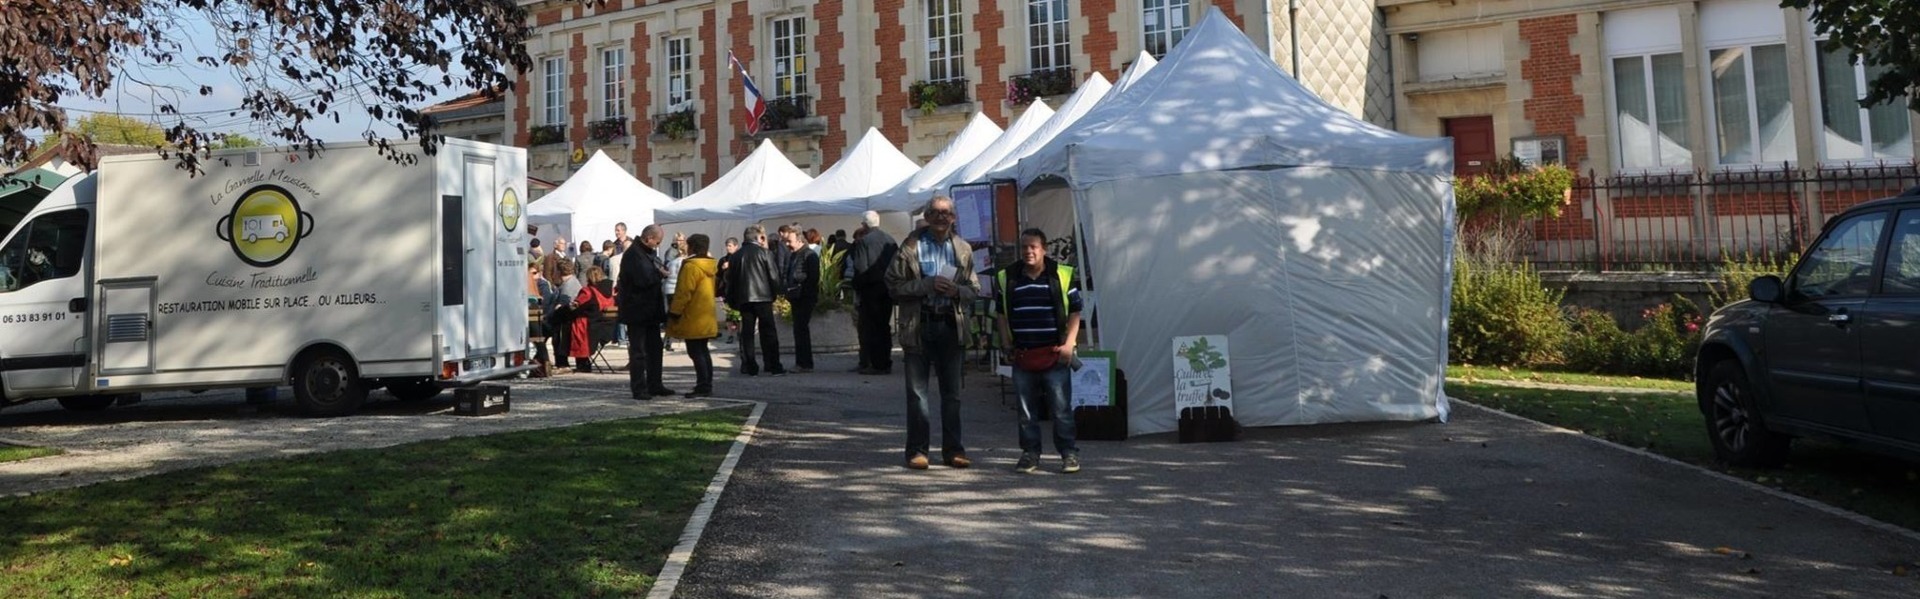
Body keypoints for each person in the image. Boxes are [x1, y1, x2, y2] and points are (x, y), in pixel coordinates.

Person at [887, 196, 979, 470]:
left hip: (951, 325)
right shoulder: (911, 247)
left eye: (947, 213)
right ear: (926, 216)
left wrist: (956, 291)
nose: (941, 217)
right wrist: (925, 285)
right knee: (917, 394)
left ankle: (954, 450)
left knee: (952, 394)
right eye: (936, 213)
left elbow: (973, 291)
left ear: (953, 218)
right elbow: (892, 285)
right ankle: (917, 451)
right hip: (919, 325)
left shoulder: (963, 249)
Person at [996, 228, 1084, 474]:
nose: (1028, 251)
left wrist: (1070, 344)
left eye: (1033, 246)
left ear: (1044, 249)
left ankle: (1068, 454)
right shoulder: (1008, 277)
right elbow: (1001, 314)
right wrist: (1005, 345)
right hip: (1023, 354)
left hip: (1055, 354)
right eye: (1024, 247)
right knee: (1025, 411)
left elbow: (1076, 311)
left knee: (1061, 409)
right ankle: (1030, 453)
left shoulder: (1061, 274)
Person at [619, 224, 676, 398]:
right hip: (637, 311)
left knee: (655, 348)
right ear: (649, 238)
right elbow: (642, 280)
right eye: (657, 242)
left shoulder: (645, 253)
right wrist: (660, 274)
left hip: (650, 310)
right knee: (639, 352)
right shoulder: (634, 254)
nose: (657, 246)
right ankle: (639, 388)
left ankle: (655, 384)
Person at [726, 224, 785, 376]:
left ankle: (749, 365)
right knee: (768, 332)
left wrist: (732, 300)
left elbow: (730, 281)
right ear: (758, 237)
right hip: (763, 297)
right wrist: (775, 293)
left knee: (747, 333)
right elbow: (773, 276)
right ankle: (772, 364)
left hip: (744, 298)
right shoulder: (764, 253)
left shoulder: (736, 256)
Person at [668, 234, 720, 397]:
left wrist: (674, 311)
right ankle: (706, 383)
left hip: (693, 314)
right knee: (703, 350)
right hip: (706, 314)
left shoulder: (691, 266)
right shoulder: (710, 265)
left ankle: (703, 385)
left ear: (692, 247)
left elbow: (684, 292)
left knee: (696, 352)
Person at [849, 211, 898, 375]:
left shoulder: (863, 242)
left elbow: (860, 267)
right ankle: (885, 361)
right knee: (884, 326)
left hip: (870, 290)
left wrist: (856, 286)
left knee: (871, 328)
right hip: (887, 289)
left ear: (863, 224)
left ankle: (876, 363)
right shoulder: (890, 240)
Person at [783, 224, 820, 373]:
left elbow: (813, 278)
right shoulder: (794, 255)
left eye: (789, 241)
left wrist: (798, 281)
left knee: (801, 329)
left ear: (799, 240)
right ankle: (802, 362)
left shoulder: (809, 255)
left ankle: (804, 363)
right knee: (798, 329)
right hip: (796, 297)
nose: (787, 244)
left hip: (805, 297)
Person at [569, 265, 614, 373]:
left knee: (569, 322)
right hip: (607, 327)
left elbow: (577, 306)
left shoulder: (588, 291)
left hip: (590, 328)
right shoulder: (610, 291)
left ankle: (580, 363)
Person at [549, 260, 583, 371]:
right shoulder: (574, 281)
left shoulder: (568, 286)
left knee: (546, 332)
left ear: (559, 271)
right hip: (568, 318)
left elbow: (562, 306)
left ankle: (561, 363)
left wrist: (550, 314)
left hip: (565, 320)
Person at [662, 233, 689, 353]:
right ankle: (674, 339)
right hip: (677, 289)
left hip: (669, 289)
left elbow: (666, 270)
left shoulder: (672, 262)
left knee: (672, 315)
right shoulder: (684, 262)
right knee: (680, 315)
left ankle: (668, 340)